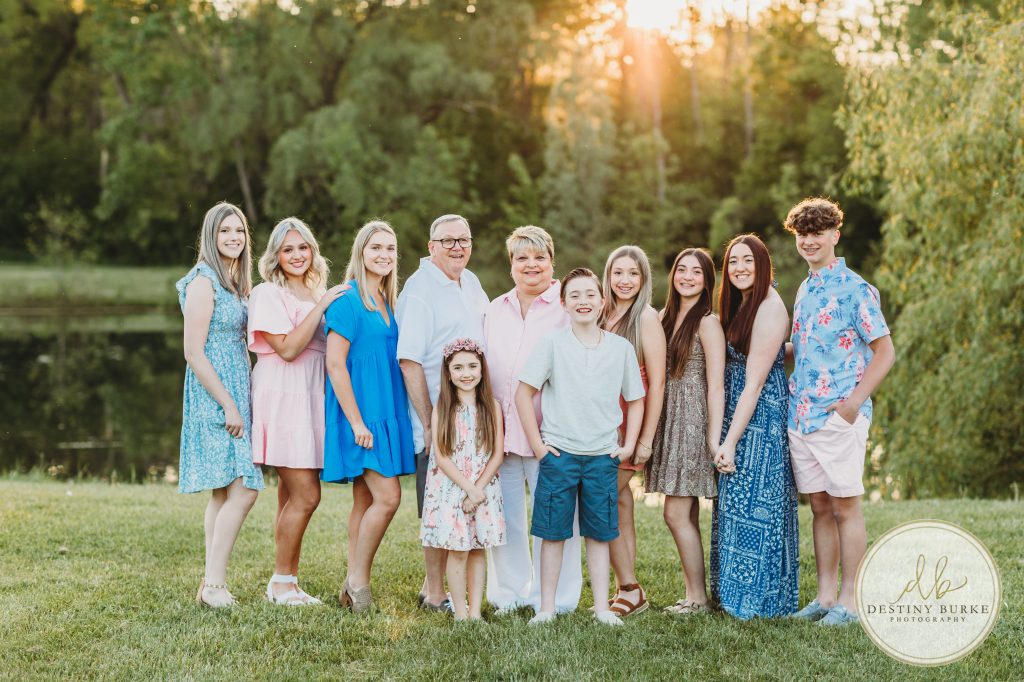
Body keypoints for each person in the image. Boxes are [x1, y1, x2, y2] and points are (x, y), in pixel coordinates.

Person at [783, 198, 895, 627]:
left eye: (817, 232)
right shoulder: (806, 288)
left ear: (835, 235)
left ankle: (850, 601)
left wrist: (851, 405)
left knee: (846, 507)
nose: (809, 240)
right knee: (820, 507)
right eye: (802, 234)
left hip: (839, 416)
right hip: (803, 414)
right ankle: (826, 597)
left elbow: (884, 351)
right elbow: (808, 349)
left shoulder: (856, 289)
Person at [516, 268, 645, 627]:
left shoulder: (620, 348)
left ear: (602, 301)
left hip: (603, 456)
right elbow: (523, 393)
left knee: (600, 534)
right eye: (574, 295)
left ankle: (603, 607)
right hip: (560, 454)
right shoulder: (552, 344)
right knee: (552, 532)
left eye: (590, 294)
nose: (583, 301)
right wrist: (539, 445)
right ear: (564, 303)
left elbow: (636, 399)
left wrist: (629, 444)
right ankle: (546, 608)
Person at [483, 226, 582, 615]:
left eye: (539, 257)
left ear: (552, 262)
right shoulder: (494, 308)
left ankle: (558, 596)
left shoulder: (567, 306)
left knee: (557, 515)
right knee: (504, 515)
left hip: (552, 432)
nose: (531, 265)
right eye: (522, 258)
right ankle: (510, 593)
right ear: (511, 266)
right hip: (501, 433)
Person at [248, 217, 346, 606]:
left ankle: (286, 581)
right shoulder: (267, 294)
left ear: (312, 250)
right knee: (307, 495)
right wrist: (322, 303)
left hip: (311, 397)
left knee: (290, 495)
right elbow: (288, 349)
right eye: (287, 249)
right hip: (283, 396)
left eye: (302, 247)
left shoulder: (314, 291)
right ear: (276, 256)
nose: (296, 255)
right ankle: (281, 582)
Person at [396, 214, 489, 612]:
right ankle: (435, 595)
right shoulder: (420, 290)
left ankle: (439, 588)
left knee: (455, 504)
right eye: (447, 240)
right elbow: (409, 361)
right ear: (431, 246)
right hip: (438, 422)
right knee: (438, 506)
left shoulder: (469, 282)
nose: (456, 247)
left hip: (471, 418)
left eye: (463, 239)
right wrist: (430, 422)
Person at [323, 220, 416, 612]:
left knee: (365, 500)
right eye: (376, 247)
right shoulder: (348, 301)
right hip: (359, 415)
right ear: (361, 252)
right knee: (389, 497)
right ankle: (358, 584)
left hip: (386, 410)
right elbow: (335, 366)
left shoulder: (388, 302)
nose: (384, 255)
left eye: (391, 248)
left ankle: (351, 583)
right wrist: (357, 422)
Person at [176, 202, 263, 608]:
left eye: (239, 231)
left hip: (235, 388)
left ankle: (210, 584)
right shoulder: (203, 282)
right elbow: (193, 352)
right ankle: (213, 586)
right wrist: (229, 404)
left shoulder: (232, 281)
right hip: (215, 393)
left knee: (222, 492)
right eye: (225, 231)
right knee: (244, 488)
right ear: (210, 236)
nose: (233, 238)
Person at [710, 234, 799, 620]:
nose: (740, 268)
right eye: (733, 262)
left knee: (756, 503)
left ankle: (758, 600)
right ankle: (734, 592)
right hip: (742, 410)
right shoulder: (746, 303)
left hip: (759, 415)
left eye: (748, 261)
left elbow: (755, 382)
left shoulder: (768, 306)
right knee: (737, 499)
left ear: (763, 265)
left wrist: (728, 440)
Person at [647, 248, 725, 616]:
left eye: (697, 271)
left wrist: (713, 437)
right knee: (684, 513)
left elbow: (717, 384)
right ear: (673, 275)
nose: (688, 276)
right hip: (668, 417)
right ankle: (695, 595)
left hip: (693, 422)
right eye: (682, 269)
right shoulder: (663, 317)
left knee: (675, 514)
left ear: (708, 280)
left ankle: (698, 599)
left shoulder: (707, 321)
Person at [598, 245, 666, 618]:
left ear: (644, 280)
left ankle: (629, 587)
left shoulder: (646, 319)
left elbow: (655, 384)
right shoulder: (601, 313)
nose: (624, 281)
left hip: (630, 421)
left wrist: (644, 440)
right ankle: (626, 586)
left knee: (602, 499)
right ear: (608, 276)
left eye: (633, 274)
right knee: (620, 504)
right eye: (618, 273)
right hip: (598, 420)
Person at [421, 339, 506, 621]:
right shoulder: (443, 408)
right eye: (458, 367)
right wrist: (468, 489)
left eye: (472, 366)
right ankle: (459, 612)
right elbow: (442, 457)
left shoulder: (491, 407)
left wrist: (478, 489)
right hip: (452, 488)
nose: (466, 373)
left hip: (483, 487)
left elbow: (496, 453)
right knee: (458, 549)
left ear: (482, 369)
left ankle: (475, 611)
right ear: (448, 372)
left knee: (478, 548)